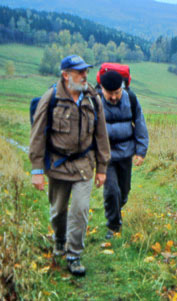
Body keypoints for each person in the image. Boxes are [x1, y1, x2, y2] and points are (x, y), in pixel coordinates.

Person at [29, 55, 111, 276]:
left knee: (80, 209)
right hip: (57, 165)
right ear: (66, 75)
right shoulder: (51, 98)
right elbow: (37, 135)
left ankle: (74, 255)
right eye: (79, 72)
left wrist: (102, 168)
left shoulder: (93, 99)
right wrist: (37, 170)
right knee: (58, 211)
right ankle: (59, 241)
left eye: (86, 71)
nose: (85, 76)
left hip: (84, 164)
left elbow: (101, 135)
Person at [99, 70, 149, 239]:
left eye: (117, 93)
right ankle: (113, 226)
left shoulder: (131, 98)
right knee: (112, 190)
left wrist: (141, 151)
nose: (114, 97)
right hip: (106, 156)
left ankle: (115, 210)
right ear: (102, 89)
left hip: (126, 153)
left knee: (124, 191)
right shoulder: (94, 102)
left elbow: (140, 123)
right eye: (109, 93)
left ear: (122, 88)